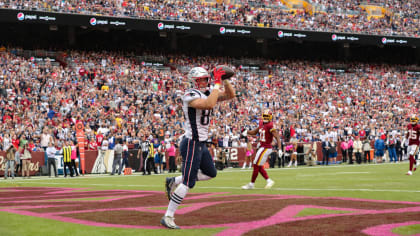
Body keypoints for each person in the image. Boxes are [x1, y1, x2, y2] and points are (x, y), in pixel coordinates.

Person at [161, 66, 235, 229]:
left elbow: (231, 95)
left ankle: (174, 180)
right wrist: (217, 84)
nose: (203, 82)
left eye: (205, 78)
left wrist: (224, 79)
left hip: (201, 142)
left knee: (211, 173)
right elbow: (208, 105)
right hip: (192, 142)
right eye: (199, 79)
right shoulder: (190, 94)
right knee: (188, 182)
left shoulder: (209, 92)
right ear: (193, 81)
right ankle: (168, 216)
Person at [241, 109, 279, 190]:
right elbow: (254, 132)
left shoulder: (270, 125)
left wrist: (280, 148)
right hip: (262, 147)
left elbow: (277, 137)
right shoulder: (261, 123)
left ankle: (252, 184)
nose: (265, 118)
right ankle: (268, 181)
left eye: (267, 116)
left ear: (270, 117)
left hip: (266, 147)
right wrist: (246, 132)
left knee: (256, 164)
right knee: (258, 165)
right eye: (264, 116)